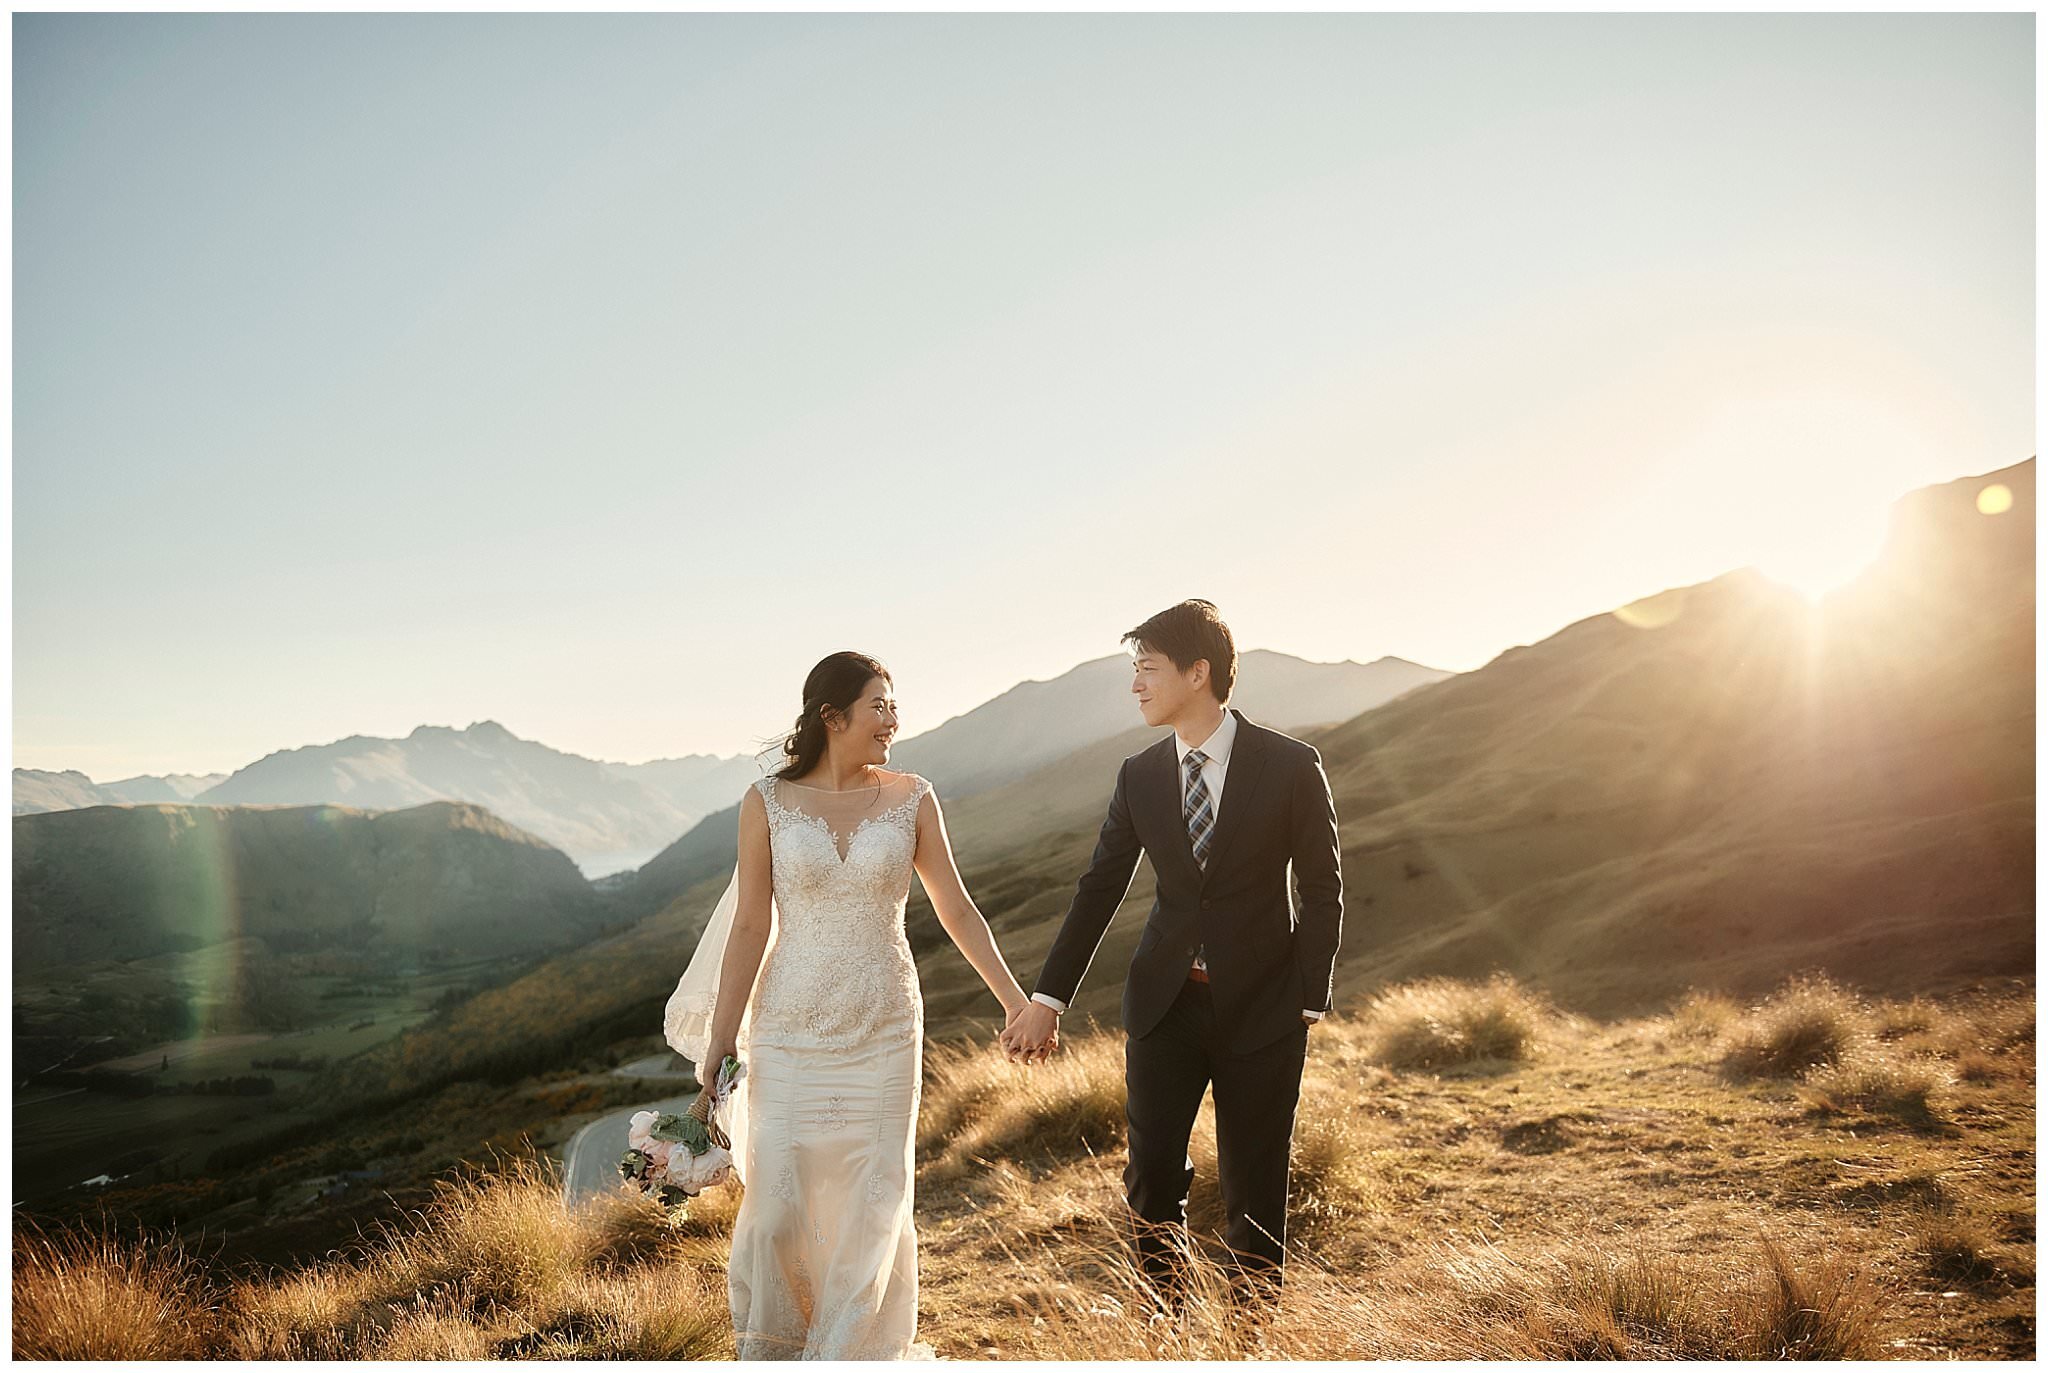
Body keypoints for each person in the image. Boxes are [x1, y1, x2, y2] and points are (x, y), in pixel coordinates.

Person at [664, 651, 1031, 1359]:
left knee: (872, 1200)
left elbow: (957, 908)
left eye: (893, 704)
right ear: (832, 717)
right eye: (879, 705)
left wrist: (1014, 1001)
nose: (894, 718)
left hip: (885, 1026)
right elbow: (749, 924)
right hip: (788, 1029)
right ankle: (778, 1346)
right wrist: (720, 1041)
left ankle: (850, 1355)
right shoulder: (765, 801)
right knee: (776, 1206)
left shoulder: (914, 797)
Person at [1001, 600, 1344, 1310]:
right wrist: (1047, 998)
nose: (1136, 684)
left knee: (1254, 1181)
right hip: (1166, 1006)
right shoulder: (1140, 775)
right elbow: (1099, 888)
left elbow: (1322, 884)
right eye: (1135, 669)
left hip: (1265, 1009)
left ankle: (1249, 1339)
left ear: (1199, 672)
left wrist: (1310, 995)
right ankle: (1168, 1322)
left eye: (1148, 668)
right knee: (1152, 1174)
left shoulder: (1289, 764)